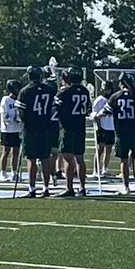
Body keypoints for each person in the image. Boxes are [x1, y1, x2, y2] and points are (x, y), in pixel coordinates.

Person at [103, 71, 135, 195]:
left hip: (121, 132)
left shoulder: (116, 96)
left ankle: (126, 187)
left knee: (123, 160)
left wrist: (95, 116)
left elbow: (105, 111)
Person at [54, 66, 91, 197]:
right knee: (80, 158)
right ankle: (82, 187)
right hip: (80, 126)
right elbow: (88, 108)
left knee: (67, 157)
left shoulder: (65, 92)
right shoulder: (85, 91)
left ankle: (69, 187)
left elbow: (54, 108)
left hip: (68, 127)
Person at [17, 65, 55, 197]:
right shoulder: (49, 90)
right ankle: (46, 188)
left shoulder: (25, 91)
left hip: (31, 127)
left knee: (31, 159)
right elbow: (53, 109)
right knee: (45, 158)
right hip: (45, 127)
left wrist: (24, 121)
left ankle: (32, 188)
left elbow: (21, 112)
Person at [0, 80, 23, 183]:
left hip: (17, 129)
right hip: (7, 129)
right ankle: (3, 173)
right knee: (6, 151)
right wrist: (13, 118)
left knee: (16, 152)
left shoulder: (18, 101)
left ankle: (14, 172)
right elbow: (4, 114)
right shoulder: (6, 100)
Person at [92, 80, 116, 180]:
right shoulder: (99, 100)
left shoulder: (113, 99)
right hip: (102, 127)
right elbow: (95, 115)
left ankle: (105, 169)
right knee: (100, 149)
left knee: (109, 149)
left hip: (111, 127)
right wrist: (99, 127)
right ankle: (95, 170)